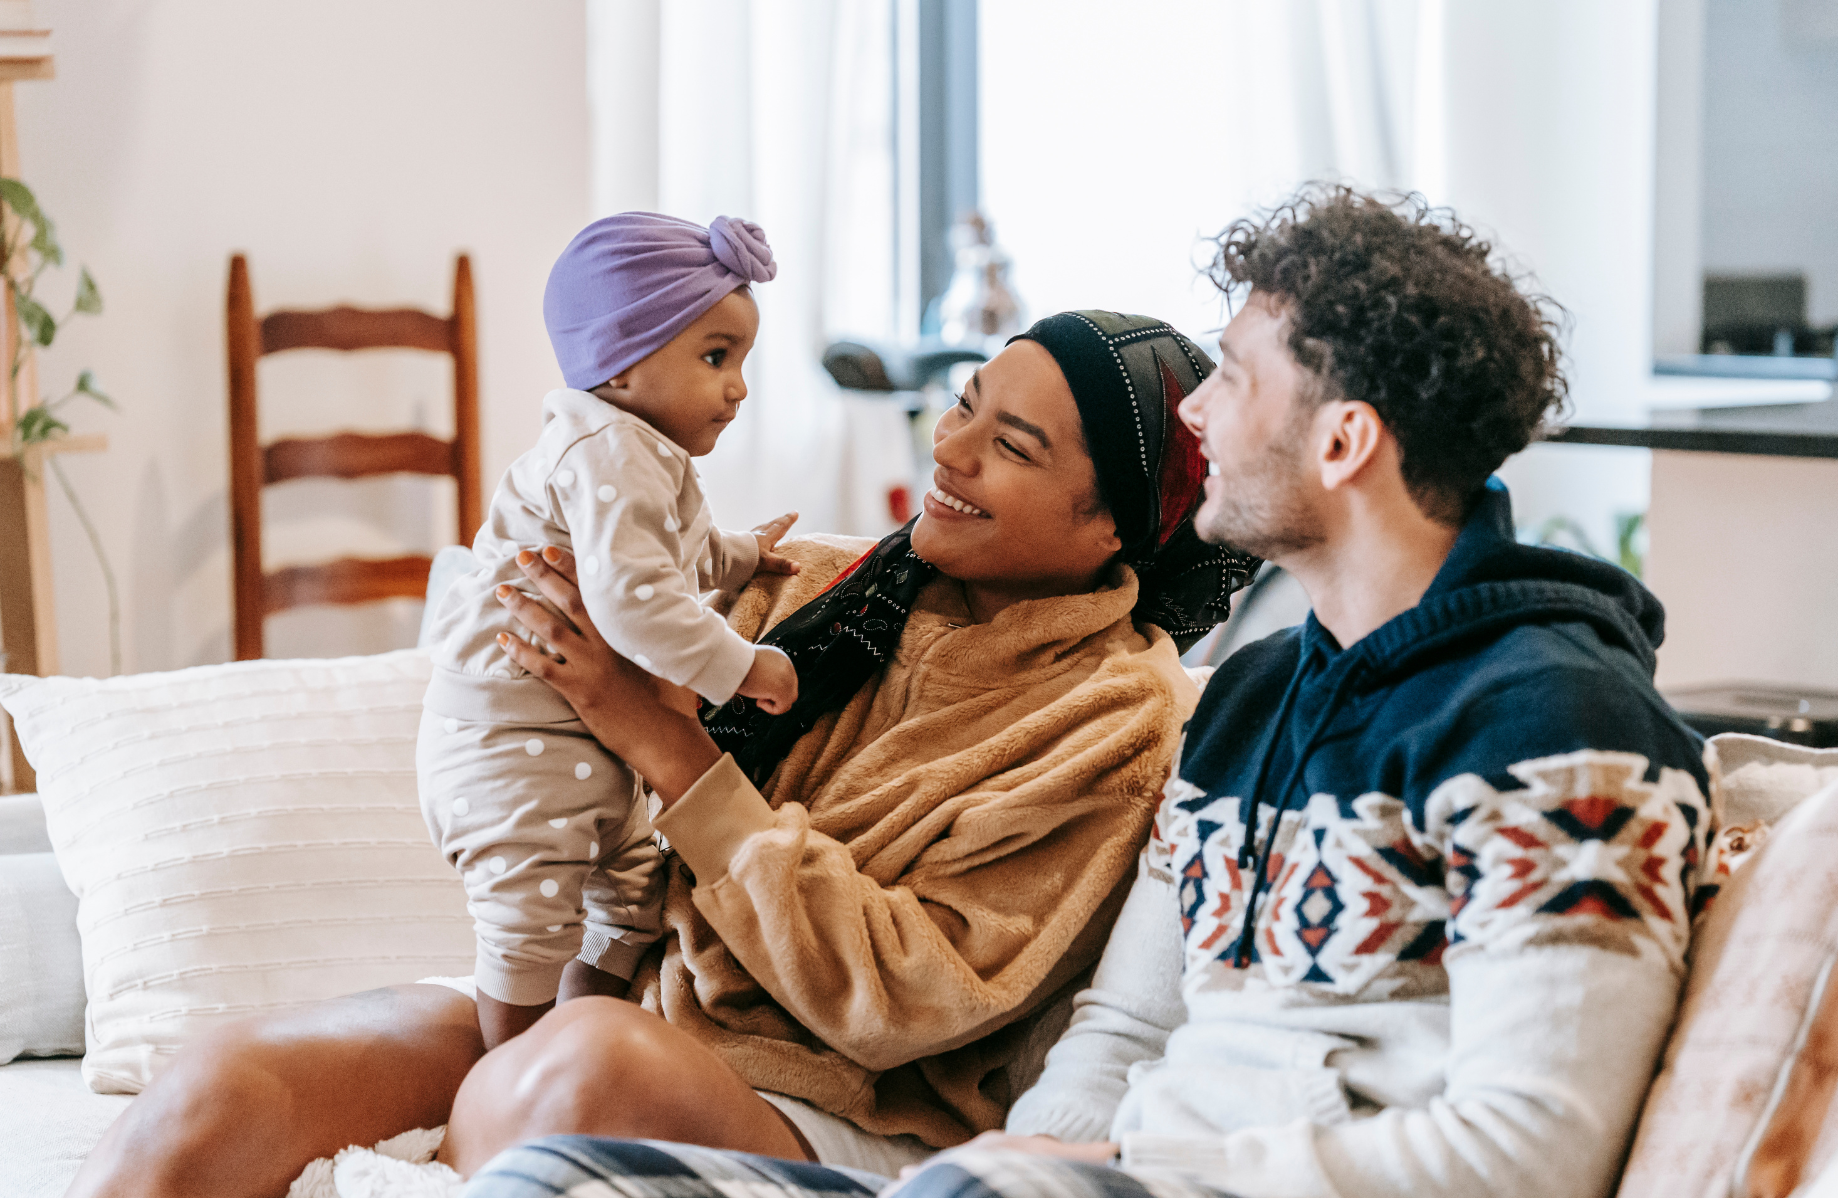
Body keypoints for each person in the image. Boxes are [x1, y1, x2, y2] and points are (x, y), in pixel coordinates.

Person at [464, 187, 1713, 1198]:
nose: (1201, 417)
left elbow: (1529, 1153)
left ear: (1339, 443)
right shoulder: (1256, 698)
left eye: (1229, 377)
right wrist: (1025, 1160)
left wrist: (1095, 1170)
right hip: (1094, 1168)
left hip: (1168, 1175)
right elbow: (1115, 1040)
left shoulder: (1561, 729)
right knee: (545, 1171)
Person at [67, 311, 1258, 1198]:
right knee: (225, 1086)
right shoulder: (825, 587)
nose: (948, 452)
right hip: (633, 998)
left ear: (1116, 525)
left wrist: (670, 747)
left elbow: (910, 995)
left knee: (570, 1070)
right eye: (963, 405)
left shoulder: (1121, 719)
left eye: (1011, 444)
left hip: (842, 1101)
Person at [420, 211, 803, 1048]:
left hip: (573, 745)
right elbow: (636, 604)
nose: (738, 386)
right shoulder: (608, 451)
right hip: (509, 746)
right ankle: (509, 1071)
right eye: (715, 357)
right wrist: (745, 668)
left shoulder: (641, 452)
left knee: (634, 894)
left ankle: (576, 1032)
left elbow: (670, 557)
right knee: (529, 923)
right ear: (623, 363)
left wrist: (737, 558)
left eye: (741, 360)